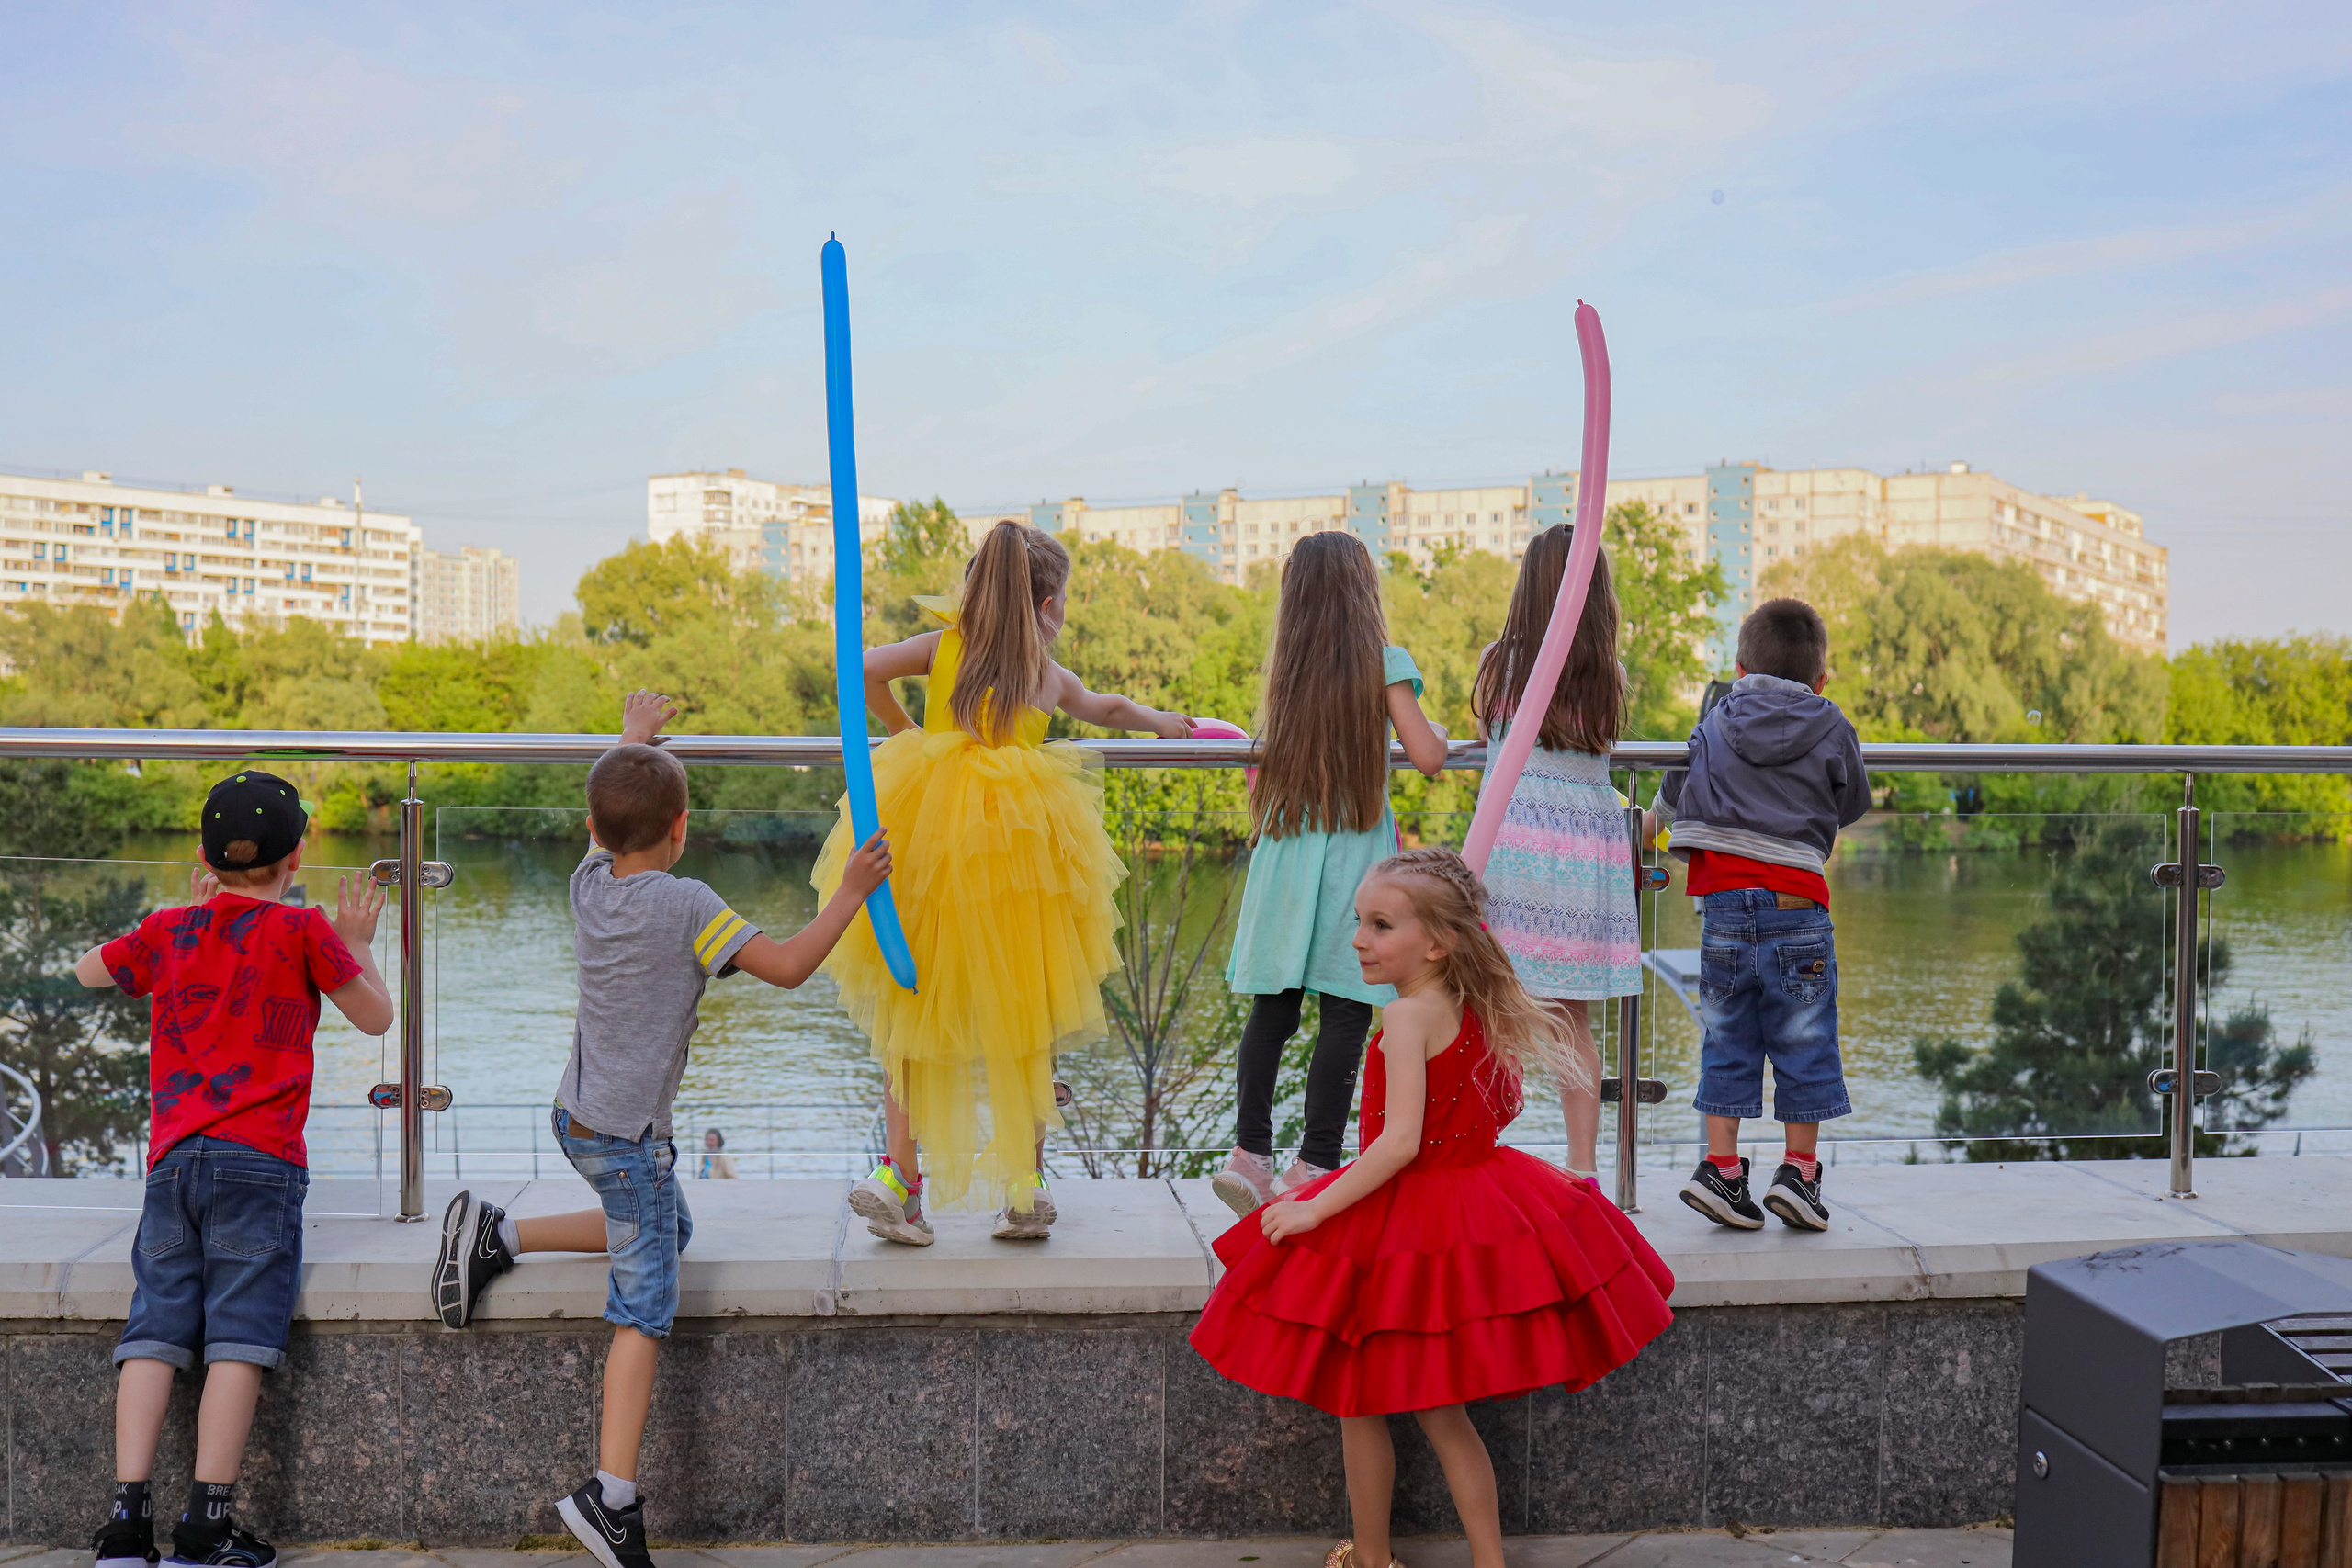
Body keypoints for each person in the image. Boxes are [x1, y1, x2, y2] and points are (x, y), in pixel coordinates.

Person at [430, 690, 891, 1568]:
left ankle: (498, 1231)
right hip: (631, 1140)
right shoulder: (689, 906)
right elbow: (790, 967)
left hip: (576, 1117)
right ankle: (610, 1499)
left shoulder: (587, 881)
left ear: (602, 833)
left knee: (665, 1229)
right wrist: (851, 890)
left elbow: (602, 821)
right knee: (644, 1308)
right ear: (681, 828)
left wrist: (629, 741)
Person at [1191, 848, 1674, 1568]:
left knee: (1361, 1399)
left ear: (1438, 942)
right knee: (1445, 1414)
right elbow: (1485, 1113)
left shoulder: (1407, 1017)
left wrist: (1314, 1209)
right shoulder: (1474, 1004)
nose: (1358, 938)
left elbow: (1399, 1145)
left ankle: (1374, 1558)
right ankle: (1489, 1561)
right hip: (1474, 1197)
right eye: (1358, 921)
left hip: (1407, 1215)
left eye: (1381, 924)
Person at [820, 521, 1193, 1245]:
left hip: (927, 833)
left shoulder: (942, 644)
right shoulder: (1043, 669)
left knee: (910, 997)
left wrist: (908, 735)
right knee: (1026, 1009)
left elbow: (860, 669)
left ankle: (901, 1175)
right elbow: (1110, 710)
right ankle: (1025, 1185)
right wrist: (1164, 723)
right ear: (1048, 603)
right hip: (1023, 847)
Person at [79, 771, 394, 1568]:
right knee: (239, 1341)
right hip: (261, 1165)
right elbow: (376, 1016)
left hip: (172, 1165)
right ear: (295, 860)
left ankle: (125, 1524)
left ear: (203, 856)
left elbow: (90, 969)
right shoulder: (304, 929)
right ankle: (204, 1527)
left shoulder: (168, 927)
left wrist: (183, 918)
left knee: (153, 1330)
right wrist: (357, 942)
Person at [1212, 531, 1449, 1218]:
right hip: (1351, 862)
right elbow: (1428, 755)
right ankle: (1313, 1159)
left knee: (1274, 1007)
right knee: (1344, 1013)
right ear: (1362, 591)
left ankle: (1248, 1153)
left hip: (1286, 859)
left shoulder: (1289, 668)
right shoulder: (1383, 663)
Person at [1657, 598, 1869, 1232]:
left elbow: (1675, 789)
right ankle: (1798, 1174)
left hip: (1722, 905)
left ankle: (1721, 1171)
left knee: (1727, 1038)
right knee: (1804, 1043)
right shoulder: (1831, 722)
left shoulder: (1716, 719)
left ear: (1741, 667)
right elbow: (1853, 800)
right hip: (1797, 907)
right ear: (1821, 679)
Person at [1471, 523, 1641, 1179]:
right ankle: (1582, 1165)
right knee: (1575, 1021)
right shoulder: (1610, 675)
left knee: (1490, 1011)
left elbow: (1487, 725)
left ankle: (1479, 1156)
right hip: (1587, 851)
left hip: (1515, 843)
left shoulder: (1500, 663)